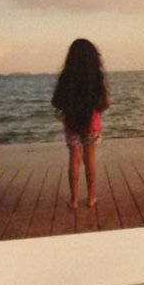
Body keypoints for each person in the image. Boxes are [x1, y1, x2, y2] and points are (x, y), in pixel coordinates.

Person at [51, 39, 111, 210]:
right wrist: (96, 109)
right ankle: (91, 198)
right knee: (90, 159)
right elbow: (106, 102)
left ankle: (74, 200)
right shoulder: (97, 77)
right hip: (92, 125)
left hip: (72, 123)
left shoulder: (66, 78)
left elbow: (56, 101)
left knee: (74, 160)